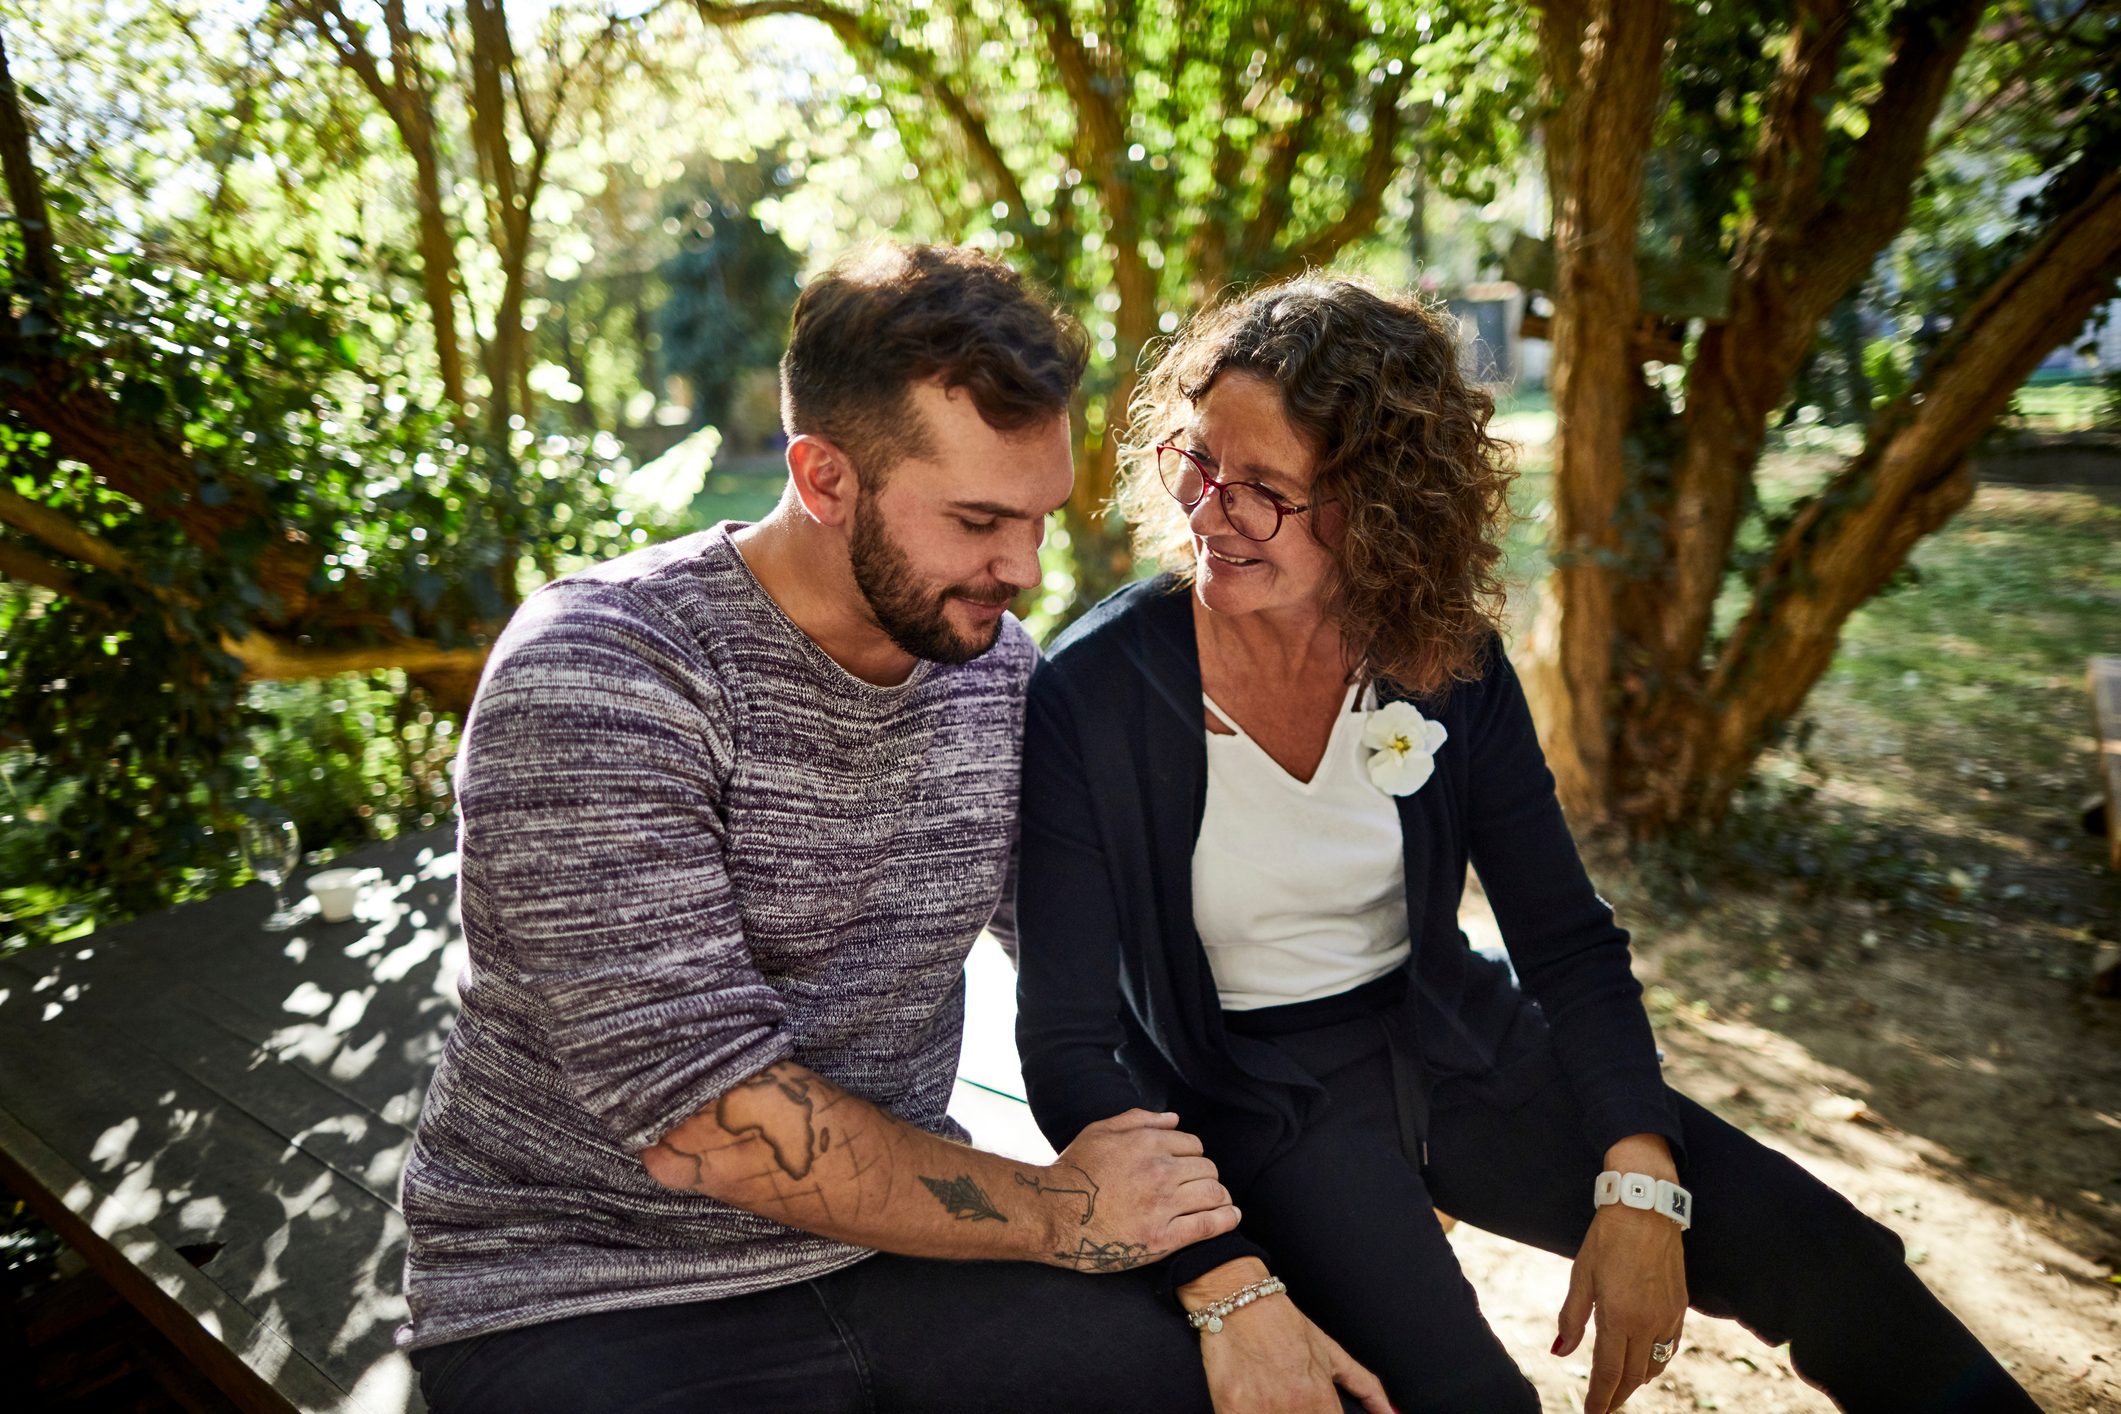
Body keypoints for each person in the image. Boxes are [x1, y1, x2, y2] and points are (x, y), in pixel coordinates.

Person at [1012, 276, 2043, 1414]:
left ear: (1383, 500)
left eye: (1264, 489)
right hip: (1261, 1103)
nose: (1210, 511)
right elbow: (1069, 1046)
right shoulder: (1096, 690)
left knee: (1832, 1258)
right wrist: (1217, 1272)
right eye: (1197, 462)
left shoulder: (1440, 658)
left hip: (1457, 1037)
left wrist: (1640, 1172)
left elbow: (1565, 939)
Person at [396, 243, 1389, 1414]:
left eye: (1038, 518)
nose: (1021, 568)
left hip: (896, 1255)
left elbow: (1116, 978)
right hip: (581, 1288)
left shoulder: (1002, 676)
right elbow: (711, 1124)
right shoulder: (607, 670)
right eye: (977, 520)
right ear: (824, 478)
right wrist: (1066, 1213)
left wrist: (1244, 1267)